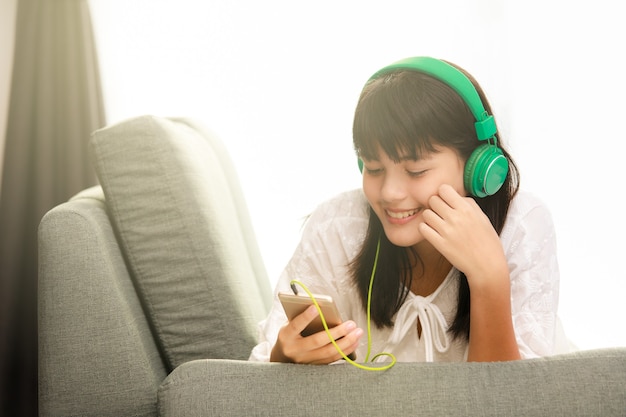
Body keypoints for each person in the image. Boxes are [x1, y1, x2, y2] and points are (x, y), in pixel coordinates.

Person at [249, 56, 564, 365]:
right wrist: (283, 358)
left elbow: (516, 401)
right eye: (373, 168)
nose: (389, 193)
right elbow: (258, 376)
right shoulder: (337, 226)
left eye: (416, 171)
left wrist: (489, 279)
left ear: (478, 168)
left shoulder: (521, 225)